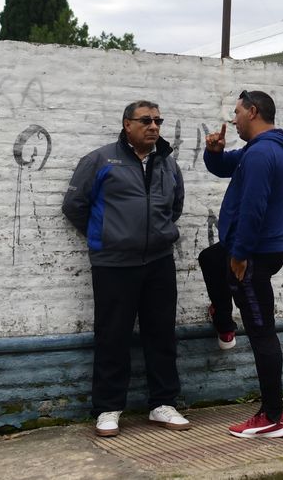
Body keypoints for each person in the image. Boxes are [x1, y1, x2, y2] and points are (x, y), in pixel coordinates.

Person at [63, 100, 191, 438]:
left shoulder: (168, 164)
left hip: (159, 261)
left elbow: (174, 207)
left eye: (158, 121)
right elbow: (74, 206)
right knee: (113, 335)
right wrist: (108, 236)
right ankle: (108, 408)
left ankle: (162, 403)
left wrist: (157, 234)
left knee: (161, 333)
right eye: (146, 120)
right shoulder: (101, 160)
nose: (153, 126)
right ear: (127, 125)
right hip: (114, 263)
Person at [200, 89, 283, 439]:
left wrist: (239, 255)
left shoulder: (262, 154)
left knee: (261, 330)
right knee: (211, 259)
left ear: (253, 112)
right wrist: (214, 153)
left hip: (253, 254)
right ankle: (223, 320)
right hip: (256, 249)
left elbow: (253, 208)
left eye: (237, 112)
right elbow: (227, 166)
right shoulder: (263, 149)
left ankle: (273, 416)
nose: (233, 118)